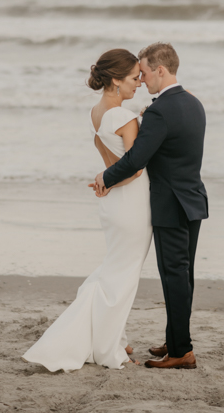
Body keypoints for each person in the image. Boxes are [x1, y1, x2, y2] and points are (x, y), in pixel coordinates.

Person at [22, 48, 152, 372]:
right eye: (134, 78)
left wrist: (104, 182)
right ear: (116, 80)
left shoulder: (97, 112)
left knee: (114, 271)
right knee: (123, 277)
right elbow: (133, 169)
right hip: (132, 203)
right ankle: (107, 347)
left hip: (113, 204)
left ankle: (113, 337)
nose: (139, 83)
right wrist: (109, 180)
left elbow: (113, 164)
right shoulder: (124, 116)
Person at [95, 42, 208, 370]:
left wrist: (106, 177)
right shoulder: (193, 103)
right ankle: (176, 340)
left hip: (170, 204)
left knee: (173, 275)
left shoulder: (160, 110)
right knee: (184, 276)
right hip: (194, 199)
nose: (141, 79)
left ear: (160, 70)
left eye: (144, 72)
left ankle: (181, 351)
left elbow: (136, 160)